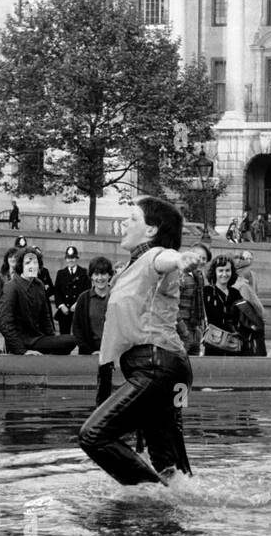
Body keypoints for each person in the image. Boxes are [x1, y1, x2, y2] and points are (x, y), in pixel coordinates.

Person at [78, 195, 202, 485]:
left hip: (157, 369)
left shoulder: (154, 256)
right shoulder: (133, 267)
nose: (124, 222)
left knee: (93, 436)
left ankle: (149, 498)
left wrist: (181, 258)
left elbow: (165, 259)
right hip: (169, 371)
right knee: (168, 465)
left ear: (151, 230)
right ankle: (173, 507)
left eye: (132, 218)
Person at [0, 246, 77, 355]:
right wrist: (22, 351)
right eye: (28, 263)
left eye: (35, 263)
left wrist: (52, 341)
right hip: (20, 342)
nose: (32, 266)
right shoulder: (11, 287)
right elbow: (4, 324)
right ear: (21, 266)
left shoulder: (39, 285)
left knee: (70, 340)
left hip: (37, 339)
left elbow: (45, 317)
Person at [202, 255, 250, 356]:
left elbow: (244, 319)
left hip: (233, 344)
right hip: (213, 344)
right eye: (221, 270)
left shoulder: (236, 293)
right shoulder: (207, 292)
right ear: (214, 272)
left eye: (227, 270)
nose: (224, 274)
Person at [73, 256, 115, 358]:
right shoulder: (83, 298)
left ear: (109, 275)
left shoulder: (117, 296)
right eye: (96, 274)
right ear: (91, 276)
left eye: (103, 274)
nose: (99, 278)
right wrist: (90, 352)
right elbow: (77, 329)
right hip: (89, 355)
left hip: (113, 354)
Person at [176, 242, 210, 356]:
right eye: (199, 257)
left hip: (195, 331)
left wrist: (200, 329)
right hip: (181, 333)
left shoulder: (199, 278)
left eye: (204, 259)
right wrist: (184, 332)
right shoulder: (180, 276)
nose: (202, 261)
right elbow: (172, 307)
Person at [53, 245, 90, 336]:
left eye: (73, 258)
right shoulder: (61, 273)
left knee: (80, 335)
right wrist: (61, 306)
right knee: (64, 336)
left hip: (78, 309)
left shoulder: (84, 273)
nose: (71, 260)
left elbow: (87, 290)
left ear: (77, 259)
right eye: (69, 258)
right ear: (66, 259)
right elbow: (57, 291)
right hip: (64, 310)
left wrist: (77, 304)